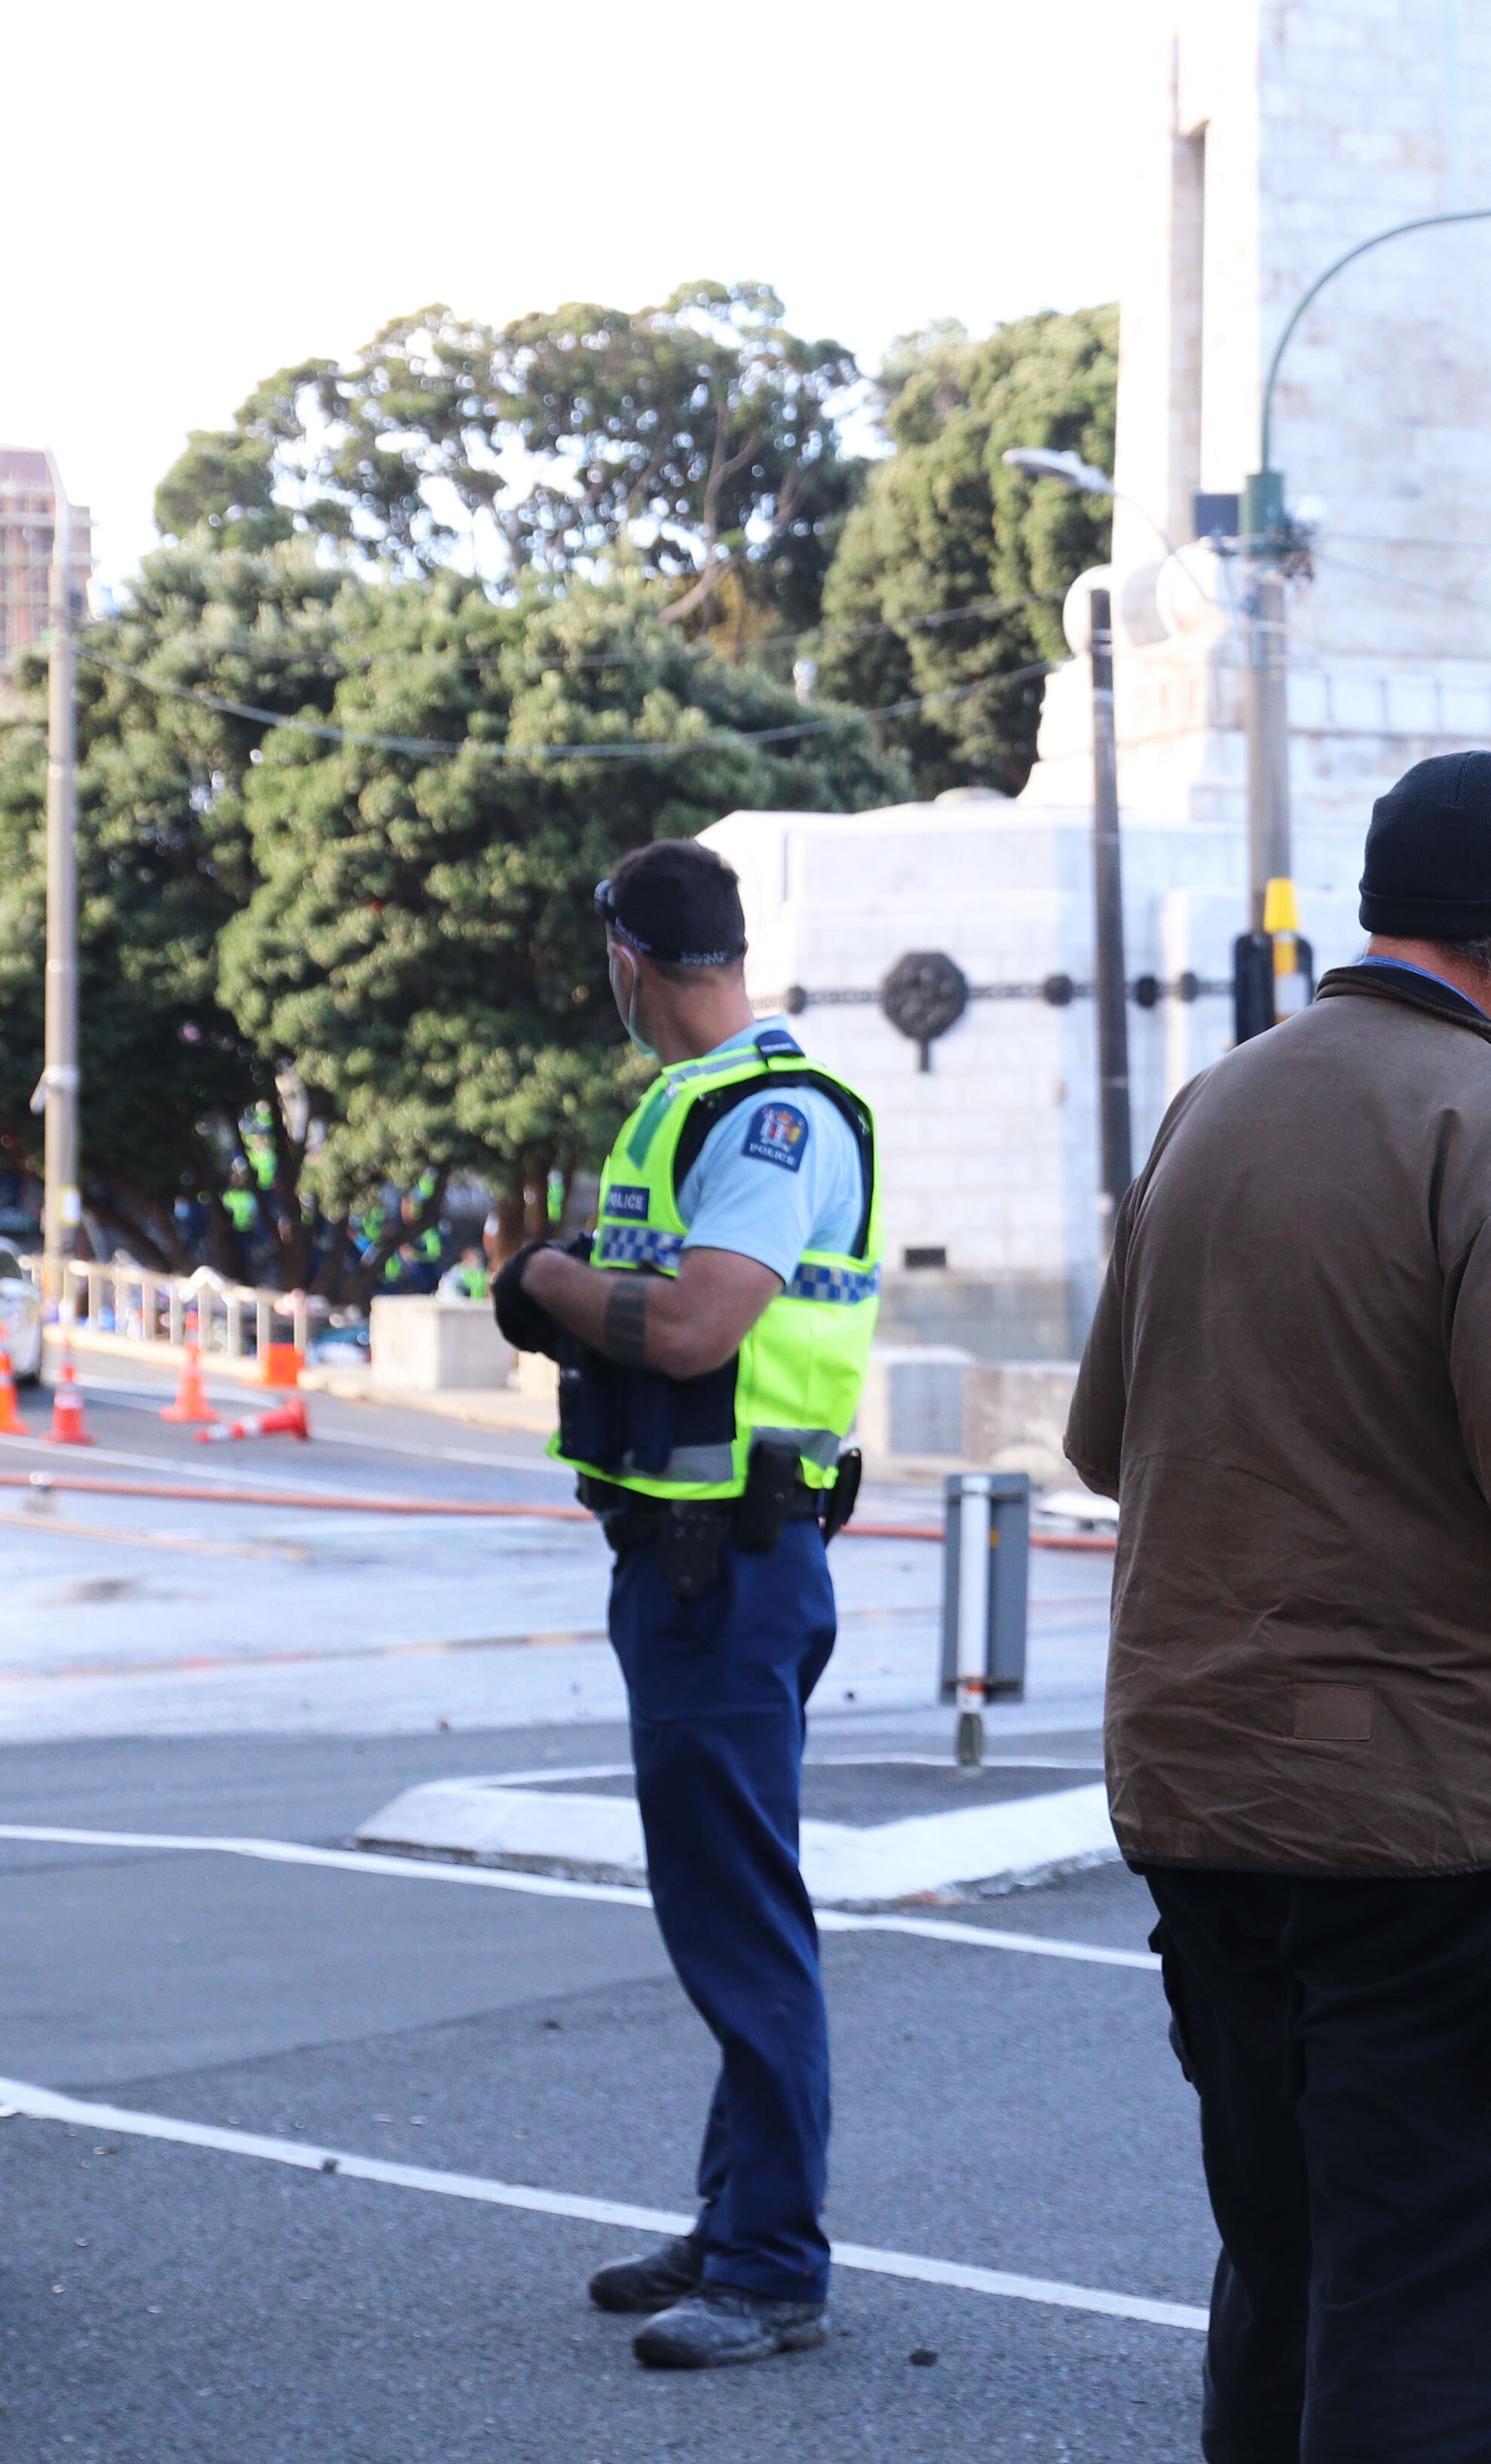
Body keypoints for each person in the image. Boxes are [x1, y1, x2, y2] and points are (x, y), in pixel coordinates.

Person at [1066, 749, 1491, 2464]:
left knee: (1290, 2279)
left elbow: (1102, 1442)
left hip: (1217, 1804)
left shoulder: (1218, 1104)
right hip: (1461, 1831)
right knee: (1452, 2328)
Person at [495, 840, 879, 2371]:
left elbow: (705, 1315)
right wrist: (583, 1284)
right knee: (723, 1903)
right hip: (686, 1555)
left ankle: (774, 2261)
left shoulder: (774, 1109)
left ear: (627, 957)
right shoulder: (697, 1104)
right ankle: (735, 2218)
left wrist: (543, 1278)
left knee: (742, 1918)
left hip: (732, 1562)